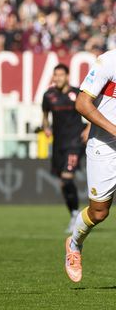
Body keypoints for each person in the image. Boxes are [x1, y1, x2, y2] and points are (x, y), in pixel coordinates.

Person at [65, 51, 116, 283]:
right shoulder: (108, 61)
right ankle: (74, 244)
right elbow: (82, 103)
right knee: (99, 212)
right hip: (105, 147)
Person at [42, 63, 90, 234]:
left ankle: (76, 215)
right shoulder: (49, 96)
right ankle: (74, 214)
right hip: (58, 144)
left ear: (67, 76)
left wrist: (88, 128)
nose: (58, 78)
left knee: (67, 177)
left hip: (74, 142)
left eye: (61, 75)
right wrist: (46, 127)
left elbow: (91, 110)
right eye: (56, 75)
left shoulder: (77, 93)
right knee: (63, 183)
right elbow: (45, 115)